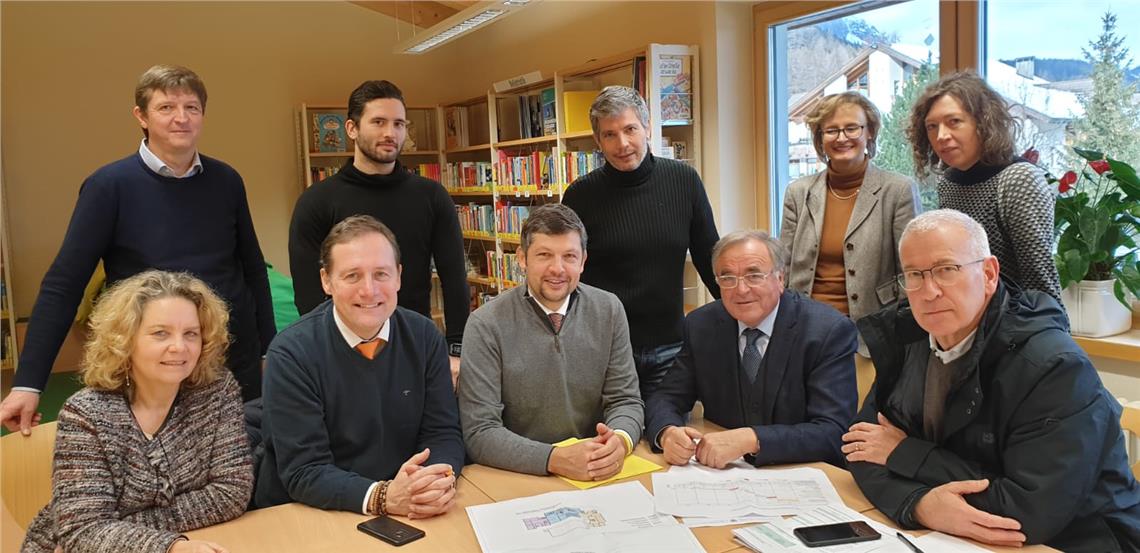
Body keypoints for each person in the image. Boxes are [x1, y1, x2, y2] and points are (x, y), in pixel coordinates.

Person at [1, 64, 275, 435]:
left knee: (238, 459)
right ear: (141, 116)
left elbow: (253, 269)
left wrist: (269, 351)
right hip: (150, 363)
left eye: (191, 108)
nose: (181, 118)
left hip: (229, 357)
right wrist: (28, 383)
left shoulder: (227, 180)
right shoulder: (108, 186)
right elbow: (65, 283)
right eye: (166, 108)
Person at [844, 209, 1140, 551]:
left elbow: (1027, 511)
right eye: (914, 274)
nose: (929, 291)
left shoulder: (1053, 366)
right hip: (953, 536)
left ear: (988, 274)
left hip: (1079, 540)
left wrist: (905, 455)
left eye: (946, 270)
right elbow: (860, 447)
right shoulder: (907, 337)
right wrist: (918, 505)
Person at [21, 270, 253, 553]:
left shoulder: (217, 391)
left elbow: (231, 492)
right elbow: (81, 530)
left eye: (191, 334)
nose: (179, 347)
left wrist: (118, 526)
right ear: (125, 340)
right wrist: (169, 547)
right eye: (160, 333)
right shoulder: (86, 414)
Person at [256, 215, 463, 519]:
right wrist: (384, 496)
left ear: (398, 277)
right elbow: (305, 470)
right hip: (310, 515)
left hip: (405, 505)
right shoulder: (291, 353)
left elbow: (442, 432)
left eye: (381, 274)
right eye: (352, 276)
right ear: (327, 281)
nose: (369, 290)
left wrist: (430, 483)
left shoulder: (424, 336)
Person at [289, 80, 469, 385]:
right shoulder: (317, 201)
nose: (390, 133)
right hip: (343, 353)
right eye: (378, 122)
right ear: (352, 128)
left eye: (399, 124)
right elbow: (308, 293)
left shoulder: (432, 196)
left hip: (416, 348)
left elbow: (454, 277)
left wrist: (456, 349)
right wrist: (325, 352)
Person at [459, 204, 643, 480]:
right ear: (522, 259)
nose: (557, 269)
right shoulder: (485, 324)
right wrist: (554, 459)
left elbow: (626, 399)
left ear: (583, 261)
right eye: (544, 255)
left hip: (594, 471)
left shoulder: (609, 310)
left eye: (569, 256)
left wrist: (620, 440)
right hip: (520, 476)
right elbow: (479, 432)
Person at [646, 230, 857, 469]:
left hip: (803, 471)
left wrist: (753, 439)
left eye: (754, 276)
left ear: (780, 279)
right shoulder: (701, 325)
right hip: (720, 475)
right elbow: (665, 397)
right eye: (727, 278)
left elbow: (835, 431)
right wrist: (667, 432)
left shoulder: (827, 331)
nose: (741, 290)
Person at [562, 85, 720, 399]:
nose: (622, 144)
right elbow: (567, 271)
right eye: (609, 135)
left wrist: (741, 320)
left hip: (670, 348)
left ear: (647, 128)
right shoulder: (580, 195)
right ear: (597, 141)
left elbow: (709, 258)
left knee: (667, 427)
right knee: (616, 428)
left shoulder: (684, 181)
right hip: (607, 349)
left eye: (630, 129)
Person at [908, 71, 1062, 303]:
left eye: (954, 122)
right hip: (964, 317)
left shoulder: (1018, 179)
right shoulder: (948, 182)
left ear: (983, 123)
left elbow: (1041, 285)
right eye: (931, 126)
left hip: (1017, 320)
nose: (941, 136)